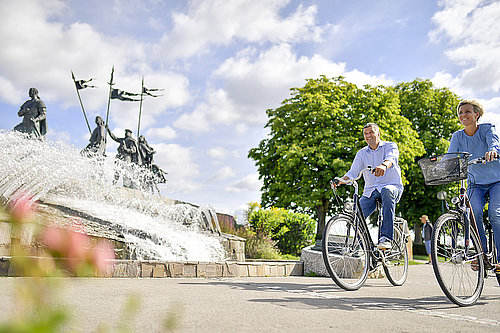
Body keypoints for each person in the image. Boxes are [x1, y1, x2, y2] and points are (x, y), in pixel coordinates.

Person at [447, 99, 500, 270]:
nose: (463, 115)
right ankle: (481, 253)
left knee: (494, 214)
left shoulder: (487, 128)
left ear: (477, 114)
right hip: (475, 183)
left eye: (467, 112)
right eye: (461, 113)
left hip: (496, 181)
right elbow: (450, 157)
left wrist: (493, 150)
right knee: (472, 213)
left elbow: (494, 143)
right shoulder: (457, 136)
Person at [335, 123, 404, 250]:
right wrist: (340, 180)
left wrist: (383, 166)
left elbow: (392, 158)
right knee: (356, 218)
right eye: (366, 134)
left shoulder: (390, 146)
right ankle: (369, 252)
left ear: (378, 134)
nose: (368, 136)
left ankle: (386, 238)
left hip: (391, 186)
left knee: (386, 190)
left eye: (371, 132)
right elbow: (353, 173)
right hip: (370, 191)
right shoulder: (362, 153)